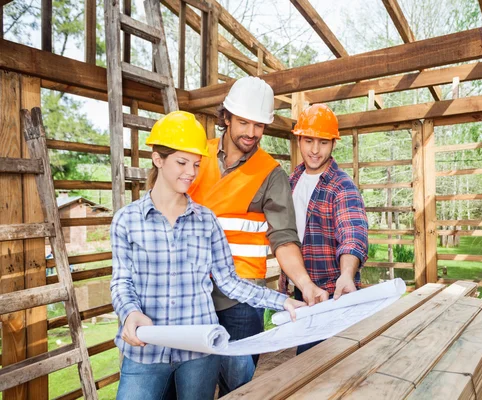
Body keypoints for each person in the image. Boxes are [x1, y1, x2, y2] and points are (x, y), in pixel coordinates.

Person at [110, 111, 304, 400]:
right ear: (158, 158)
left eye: (197, 164)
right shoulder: (127, 220)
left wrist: (283, 302)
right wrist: (130, 313)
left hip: (199, 352)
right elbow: (122, 283)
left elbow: (230, 282)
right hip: (146, 351)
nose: (190, 172)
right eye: (181, 162)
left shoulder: (207, 221)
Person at [187, 76, 328, 395]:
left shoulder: (271, 173)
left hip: (242, 298)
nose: (251, 132)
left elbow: (284, 239)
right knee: (188, 384)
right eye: (243, 122)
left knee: (239, 389)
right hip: (190, 295)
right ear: (225, 117)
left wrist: (305, 285)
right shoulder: (196, 156)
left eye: (259, 125)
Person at [288, 104, 369, 354]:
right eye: (309, 140)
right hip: (302, 293)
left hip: (332, 297)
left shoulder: (341, 186)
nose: (314, 150)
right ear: (299, 139)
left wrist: (346, 274)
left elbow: (352, 233)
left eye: (323, 142)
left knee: (323, 367)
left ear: (333, 143)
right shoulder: (291, 181)